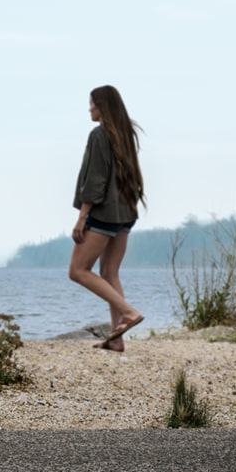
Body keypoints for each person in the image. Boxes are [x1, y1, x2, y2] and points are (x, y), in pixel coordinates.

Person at [71, 84, 147, 351]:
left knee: (78, 270)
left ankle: (128, 312)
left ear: (102, 106)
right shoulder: (125, 133)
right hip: (126, 213)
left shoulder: (99, 135)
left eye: (91, 103)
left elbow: (95, 180)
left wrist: (82, 217)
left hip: (104, 214)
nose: (89, 108)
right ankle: (116, 340)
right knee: (110, 272)